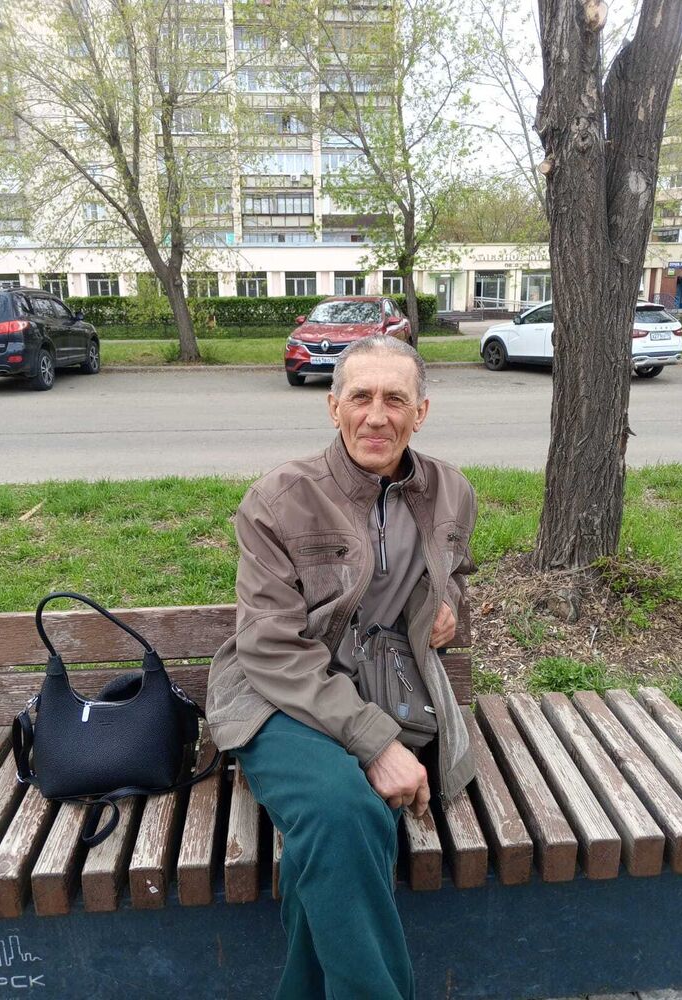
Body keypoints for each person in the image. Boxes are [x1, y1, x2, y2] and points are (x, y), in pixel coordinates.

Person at [206, 335, 477, 1000]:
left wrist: (448, 606)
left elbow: (456, 575)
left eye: (396, 400)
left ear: (421, 412)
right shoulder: (280, 498)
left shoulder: (450, 491)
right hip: (278, 699)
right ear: (334, 407)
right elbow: (270, 647)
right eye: (360, 397)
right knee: (341, 809)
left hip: (387, 693)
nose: (376, 416)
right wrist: (377, 744)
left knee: (339, 839)